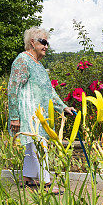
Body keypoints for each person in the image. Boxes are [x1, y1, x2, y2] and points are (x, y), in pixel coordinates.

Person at [8, 28, 75, 192]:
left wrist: (63, 107)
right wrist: (14, 117)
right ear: (32, 42)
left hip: (39, 115)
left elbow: (49, 91)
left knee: (33, 147)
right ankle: (46, 183)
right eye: (43, 42)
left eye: (47, 43)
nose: (46, 46)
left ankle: (27, 178)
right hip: (27, 114)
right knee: (40, 146)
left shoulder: (39, 65)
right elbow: (12, 89)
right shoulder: (22, 60)